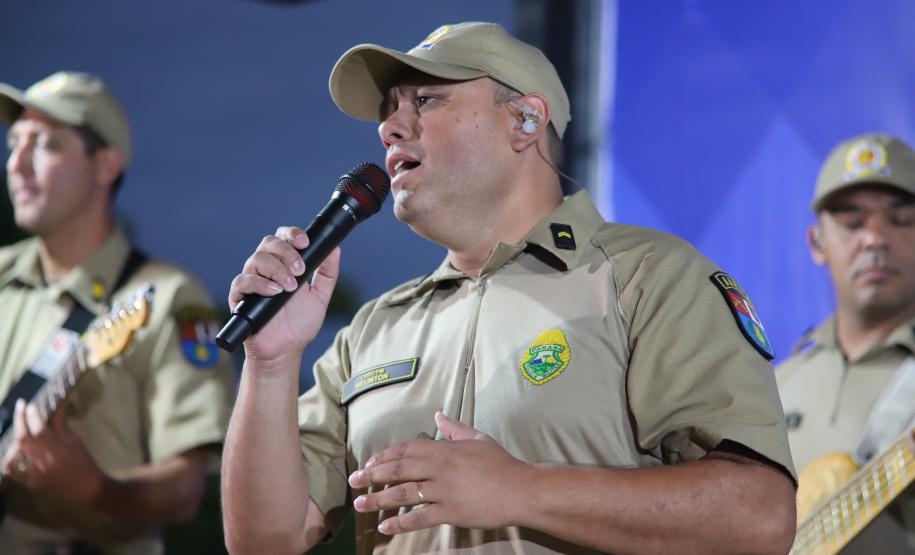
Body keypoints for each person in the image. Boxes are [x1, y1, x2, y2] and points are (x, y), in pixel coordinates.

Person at [222, 22, 797, 555]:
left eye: (426, 100)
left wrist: (523, 490)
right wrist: (270, 363)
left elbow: (760, 516)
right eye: (389, 110)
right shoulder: (373, 330)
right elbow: (265, 539)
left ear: (525, 120)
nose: (390, 126)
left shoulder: (645, 277)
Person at [0, 71, 233, 555]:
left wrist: (97, 490)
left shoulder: (168, 298)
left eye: (43, 145)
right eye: (13, 143)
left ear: (105, 164)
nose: (16, 164)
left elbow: (184, 492)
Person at [777, 133, 915, 553]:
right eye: (852, 222)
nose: (873, 238)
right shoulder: (774, 385)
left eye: (901, 219)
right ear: (816, 243)